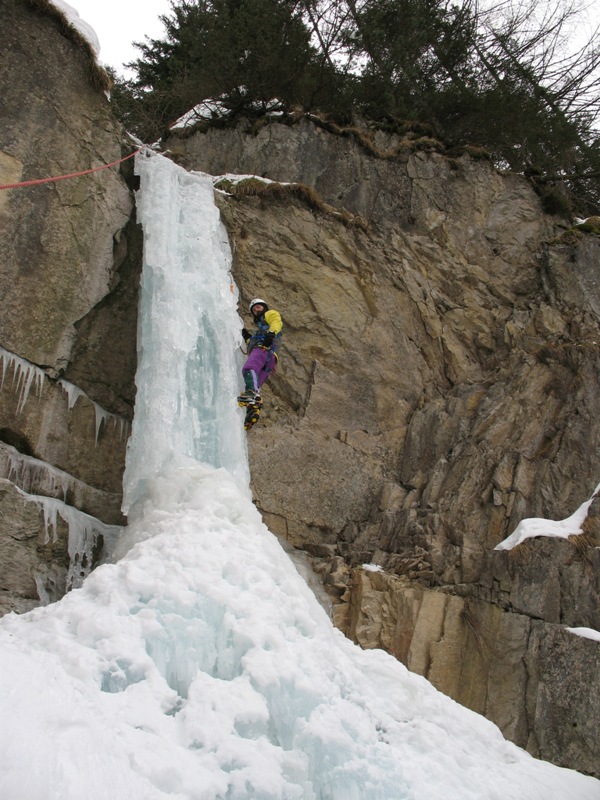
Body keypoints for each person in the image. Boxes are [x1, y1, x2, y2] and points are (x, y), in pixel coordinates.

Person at [237, 298, 283, 407]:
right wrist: (247, 338)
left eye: (258, 307)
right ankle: (253, 409)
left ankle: (252, 395)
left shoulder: (270, 314)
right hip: (270, 360)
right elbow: (252, 344)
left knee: (249, 369)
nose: (256, 310)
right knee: (255, 384)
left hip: (264, 349)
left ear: (264, 307)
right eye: (254, 309)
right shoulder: (261, 329)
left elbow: (276, 321)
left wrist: (271, 334)